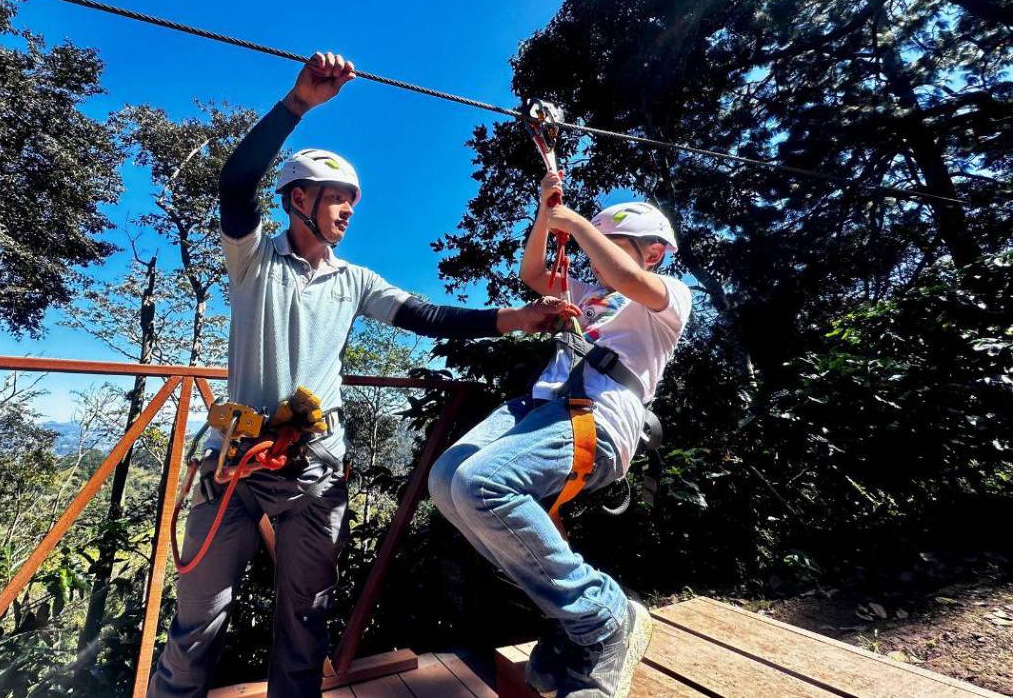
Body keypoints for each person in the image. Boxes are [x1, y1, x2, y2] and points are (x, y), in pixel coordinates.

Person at [148, 52, 567, 698]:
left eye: (352, 200)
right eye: (337, 197)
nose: (348, 210)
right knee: (196, 626)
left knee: (304, 627)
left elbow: (427, 316)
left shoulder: (355, 280)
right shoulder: (254, 260)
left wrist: (517, 319)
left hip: (314, 470)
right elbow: (235, 186)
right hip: (234, 467)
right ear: (298, 199)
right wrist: (298, 104)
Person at [428, 171, 692, 698]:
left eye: (613, 245)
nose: (597, 259)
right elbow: (532, 273)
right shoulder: (589, 291)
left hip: (600, 415)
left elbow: (625, 276)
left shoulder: (667, 298)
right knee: (447, 481)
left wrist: (574, 224)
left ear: (654, 253)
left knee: (482, 484)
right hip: (541, 406)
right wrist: (545, 215)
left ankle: (602, 616)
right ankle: (572, 619)